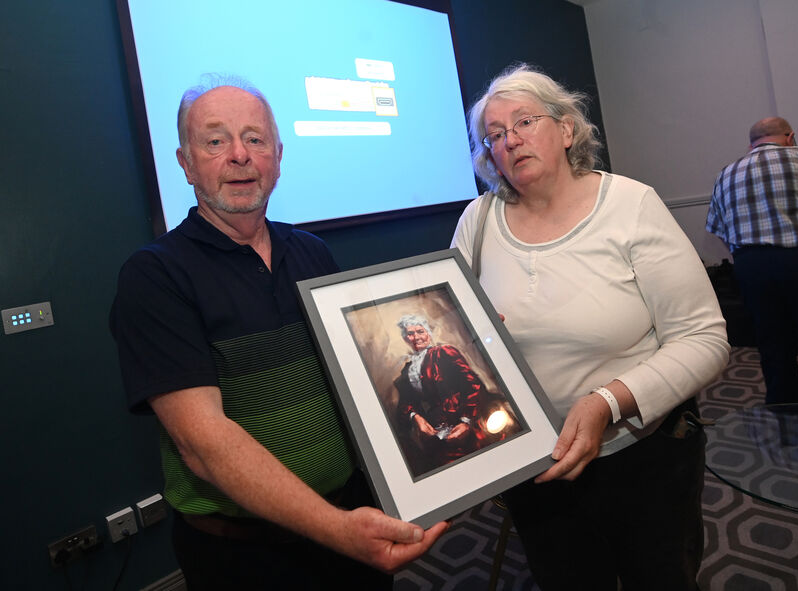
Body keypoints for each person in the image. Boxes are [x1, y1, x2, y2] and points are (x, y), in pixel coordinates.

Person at [110, 75, 447, 590]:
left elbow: (351, 386)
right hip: (243, 555)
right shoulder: (156, 276)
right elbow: (203, 445)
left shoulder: (312, 252)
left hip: (350, 519)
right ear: (185, 162)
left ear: (279, 156)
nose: (240, 155)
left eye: (256, 138)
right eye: (216, 140)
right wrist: (336, 529)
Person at [450, 63, 730, 591]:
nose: (510, 140)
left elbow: (705, 338)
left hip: (642, 456)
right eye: (494, 134)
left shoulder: (630, 206)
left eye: (525, 122)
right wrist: (475, 340)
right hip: (534, 464)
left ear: (566, 128)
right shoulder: (476, 221)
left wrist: (608, 400)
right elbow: (456, 329)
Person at [706, 117, 798, 405]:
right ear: (790, 137)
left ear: (751, 144)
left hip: (752, 265)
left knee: (772, 341)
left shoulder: (727, 173)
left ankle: (784, 410)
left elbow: (719, 227)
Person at [392, 314, 518, 475]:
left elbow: (473, 384)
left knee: (489, 468)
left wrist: (466, 421)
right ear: (405, 339)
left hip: (465, 422)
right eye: (410, 334)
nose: (416, 337)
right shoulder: (407, 369)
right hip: (437, 433)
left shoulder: (443, 352)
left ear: (428, 334)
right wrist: (416, 418)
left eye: (420, 331)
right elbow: (406, 401)